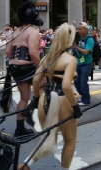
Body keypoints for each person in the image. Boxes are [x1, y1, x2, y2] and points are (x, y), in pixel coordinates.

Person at [17, 23, 82, 170]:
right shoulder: (70, 60)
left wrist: (35, 100)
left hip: (44, 99)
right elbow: (66, 86)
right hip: (62, 100)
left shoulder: (47, 57)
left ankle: (26, 163)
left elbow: (35, 80)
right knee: (70, 141)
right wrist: (75, 106)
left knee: (48, 138)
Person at [0, 1, 43, 137]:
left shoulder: (16, 31)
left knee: (24, 98)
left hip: (15, 68)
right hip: (28, 67)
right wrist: (42, 66)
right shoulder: (33, 31)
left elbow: (8, 52)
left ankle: (20, 129)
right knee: (45, 86)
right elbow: (33, 53)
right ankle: (29, 111)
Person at [73, 22, 94, 106]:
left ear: (86, 29)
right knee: (76, 81)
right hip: (79, 62)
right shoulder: (78, 38)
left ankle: (86, 100)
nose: (79, 31)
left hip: (87, 63)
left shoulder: (90, 39)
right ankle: (85, 96)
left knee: (83, 81)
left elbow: (85, 52)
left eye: (81, 29)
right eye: (78, 29)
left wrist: (76, 46)